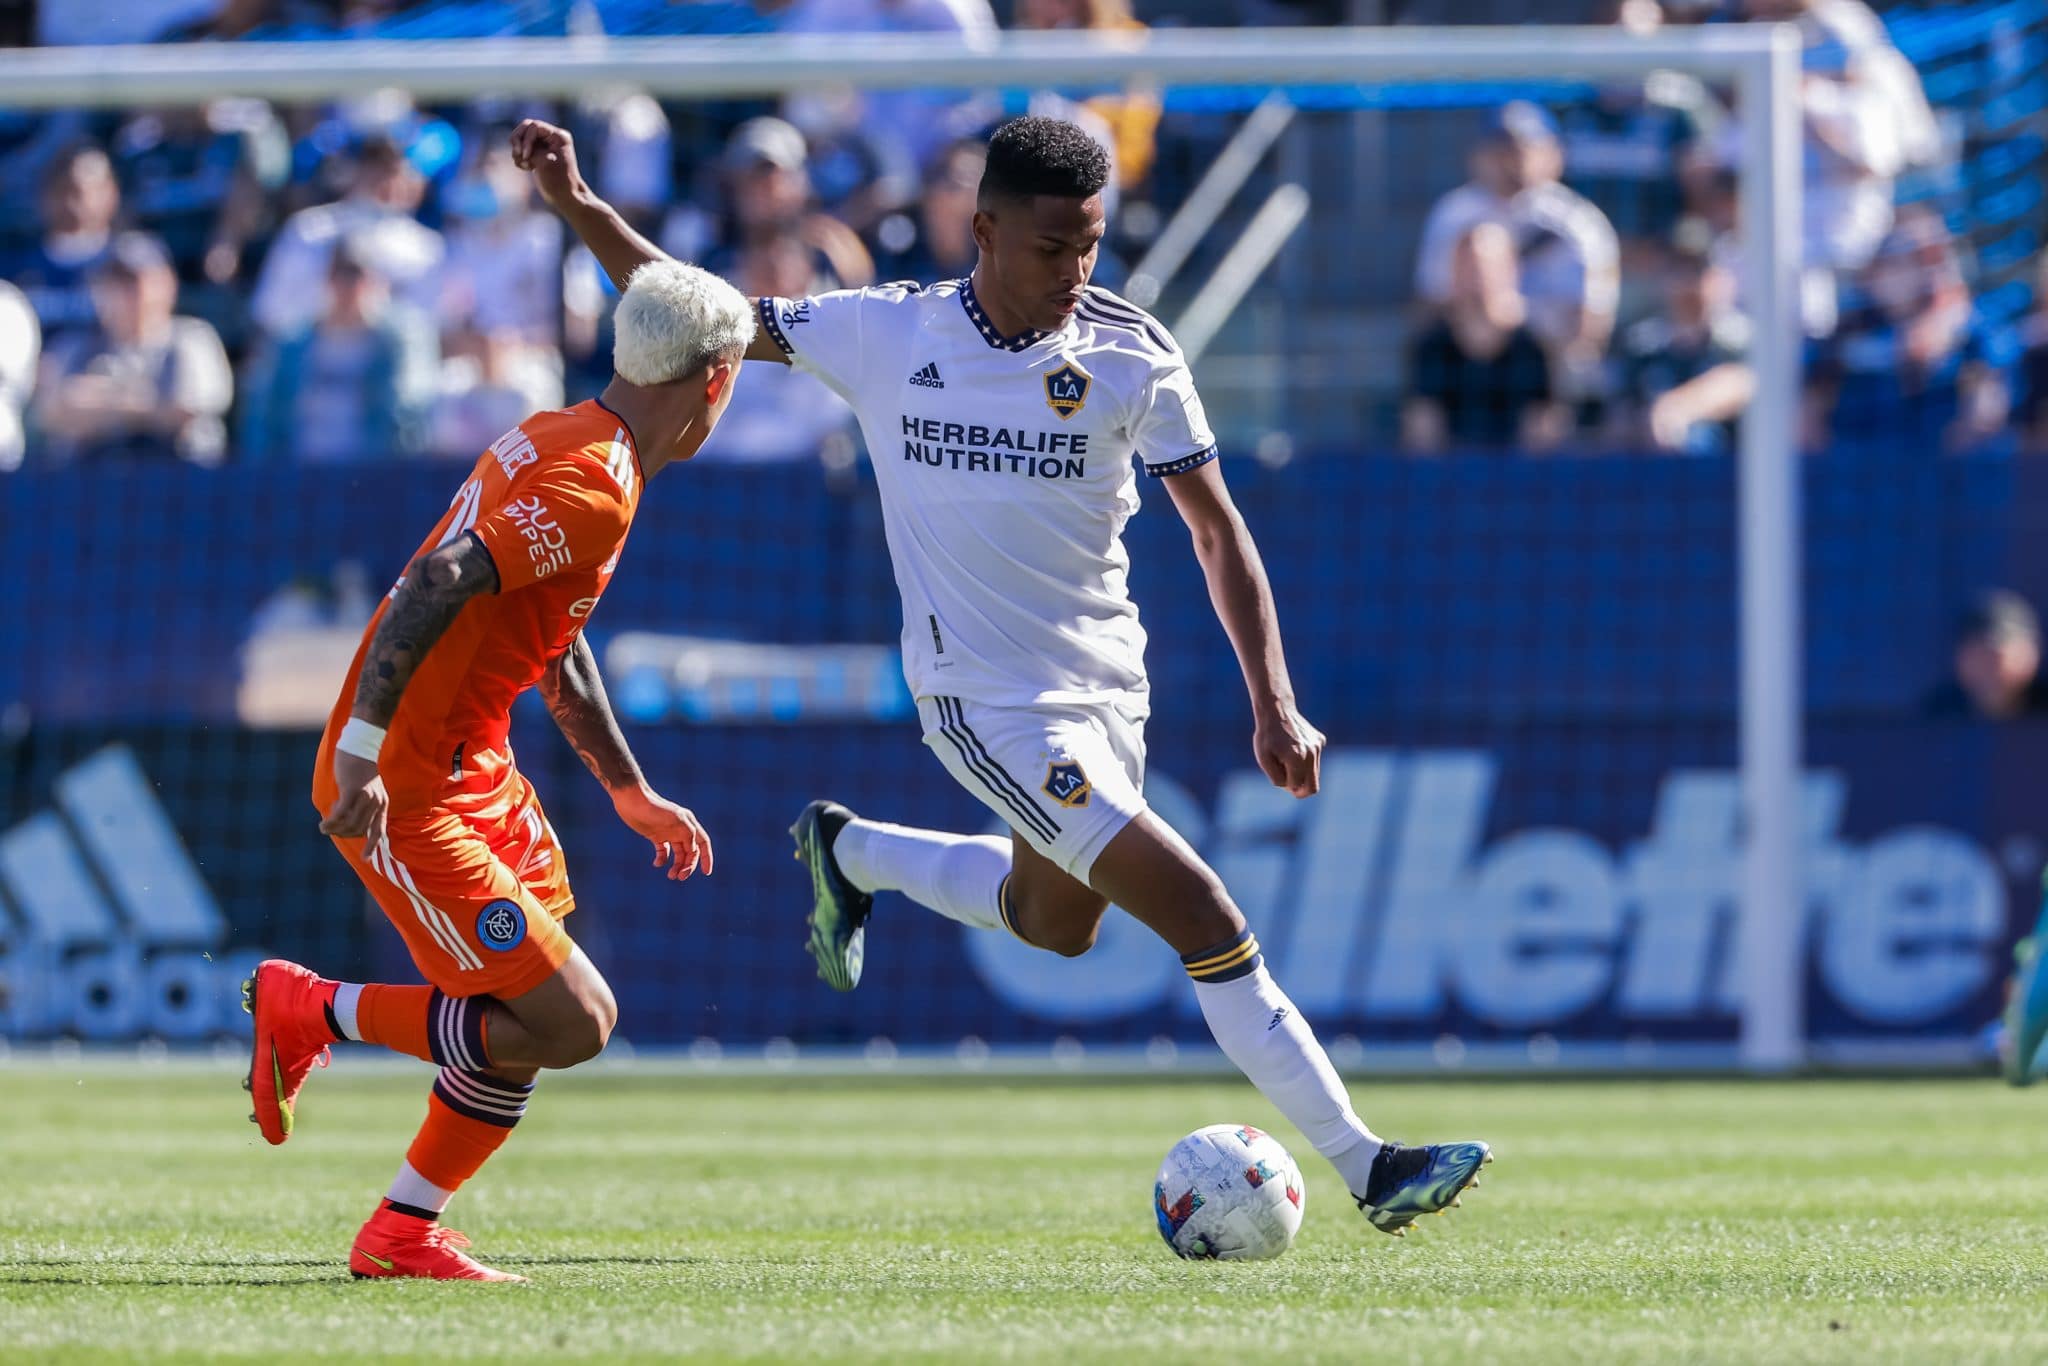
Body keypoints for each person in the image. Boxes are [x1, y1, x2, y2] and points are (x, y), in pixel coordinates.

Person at [517, 114, 1492, 1237]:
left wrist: (1272, 698)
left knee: (1056, 923)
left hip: (1107, 692)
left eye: (1089, 244)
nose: (1073, 271)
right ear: (981, 227)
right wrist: (579, 205)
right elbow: (688, 310)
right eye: (1049, 246)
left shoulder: (1134, 351)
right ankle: (1368, 1165)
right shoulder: (885, 332)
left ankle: (851, 850)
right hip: (980, 704)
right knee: (1200, 913)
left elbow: (1217, 535)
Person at [241, 255, 750, 1282]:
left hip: (475, 769)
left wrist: (624, 787)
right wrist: (360, 754)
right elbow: (437, 578)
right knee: (573, 1020)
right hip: (409, 785)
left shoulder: (572, 438)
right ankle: (307, 1005)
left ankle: (402, 1230)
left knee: (526, 1018)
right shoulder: (596, 481)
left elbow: (549, 631)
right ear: (715, 379)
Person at [1413, 102, 1620, 381]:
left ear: (1553, 153)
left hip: (1554, 363)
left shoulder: (1576, 220)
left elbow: (1594, 317)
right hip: (1473, 358)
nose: (1511, 159)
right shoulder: (1454, 213)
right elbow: (1435, 300)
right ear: (1479, 155)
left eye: (1523, 147)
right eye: (1500, 148)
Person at [32, 232, 233, 466]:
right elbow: (53, 413)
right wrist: (148, 403)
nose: (124, 293)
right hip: (94, 484)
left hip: (181, 483)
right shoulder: (75, 345)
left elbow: (187, 409)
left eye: (134, 281)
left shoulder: (191, 337)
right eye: (113, 282)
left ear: (167, 283)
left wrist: (100, 401)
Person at [239, 236, 439, 463]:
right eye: (340, 274)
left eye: (357, 275)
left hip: (374, 474)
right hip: (300, 473)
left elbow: (409, 407)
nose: (349, 286)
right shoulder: (292, 343)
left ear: (376, 280)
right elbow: (266, 414)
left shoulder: (400, 341)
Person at [249, 133, 446, 339]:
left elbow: (429, 325)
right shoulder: (310, 230)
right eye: (376, 168)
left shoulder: (426, 248)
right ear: (356, 170)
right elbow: (270, 310)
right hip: (311, 353)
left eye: (396, 172)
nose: (387, 182)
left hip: (387, 358)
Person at [1402, 223, 1563, 455]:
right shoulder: (1429, 348)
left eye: (1482, 267)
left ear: (1510, 270)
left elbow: (1542, 436)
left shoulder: (1535, 347)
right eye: (1465, 267)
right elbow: (1423, 437)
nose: (1474, 277)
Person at [1612, 244, 1753, 456]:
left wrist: (1677, 408)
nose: (1688, 283)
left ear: (1722, 281)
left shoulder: (1742, 340)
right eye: (1678, 271)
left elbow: (1744, 381)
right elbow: (1618, 417)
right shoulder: (1642, 346)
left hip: (1728, 472)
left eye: (1698, 271)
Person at [3, 142, 121, 346]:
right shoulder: (13, 266)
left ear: (111, 193)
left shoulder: (131, 264)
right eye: (61, 188)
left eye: (82, 190)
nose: (71, 201)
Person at [1923, 590, 2048, 721]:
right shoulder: (1934, 717)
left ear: (2030, 655)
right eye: (1975, 656)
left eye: (1994, 655)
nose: (1985, 667)